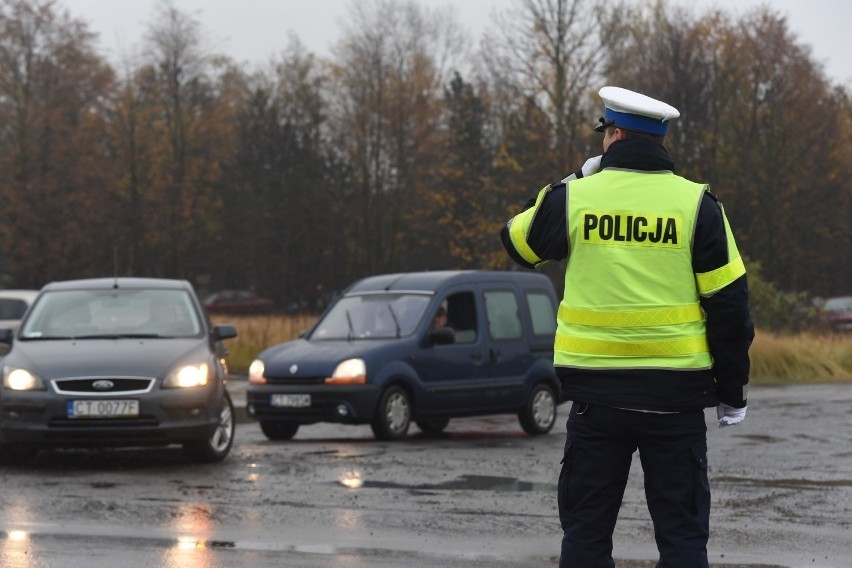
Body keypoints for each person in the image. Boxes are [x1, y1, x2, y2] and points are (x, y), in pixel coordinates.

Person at [501, 86, 754, 567]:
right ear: (660, 141)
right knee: (682, 540)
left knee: (587, 536)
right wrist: (732, 390)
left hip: (596, 402)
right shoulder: (698, 205)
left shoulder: (574, 198)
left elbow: (517, 242)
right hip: (675, 404)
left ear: (613, 135)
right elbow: (730, 306)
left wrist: (570, 181)